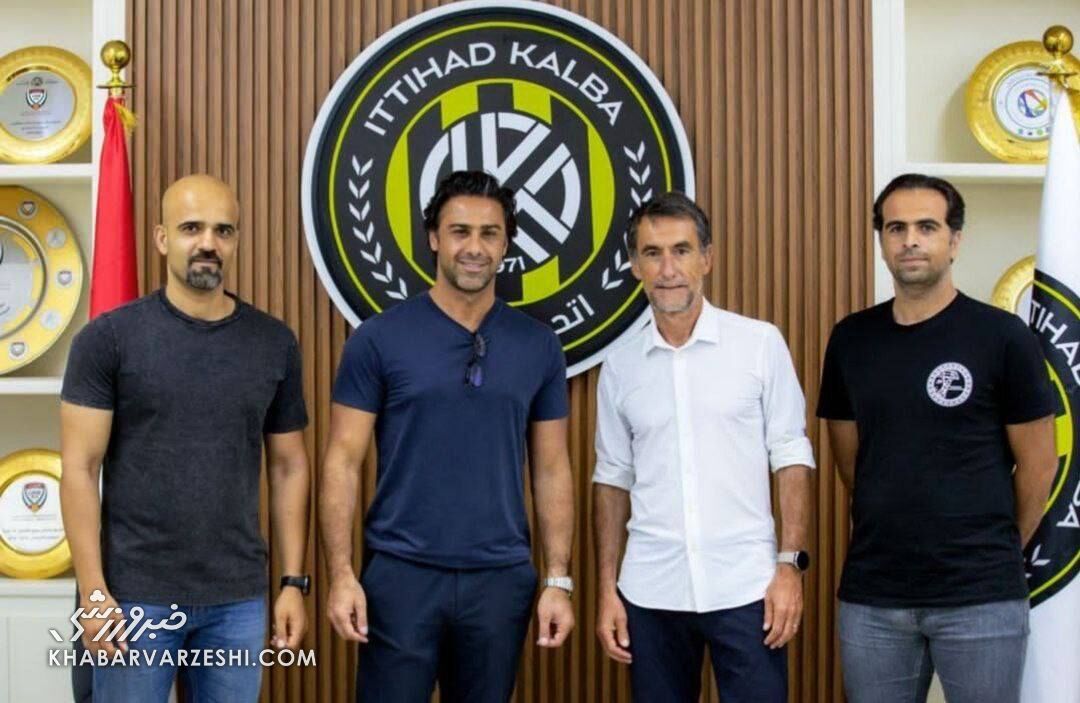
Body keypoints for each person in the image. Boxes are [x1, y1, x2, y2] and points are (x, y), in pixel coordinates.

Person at [320, 170, 576, 702]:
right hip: (400, 576)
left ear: (506, 244)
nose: (474, 248)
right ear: (434, 238)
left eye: (489, 233)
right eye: (460, 231)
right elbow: (342, 460)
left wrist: (558, 579)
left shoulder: (538, 345)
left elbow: (552, 467)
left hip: (499, 580)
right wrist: (341, 575)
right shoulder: (378, 339)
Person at [60, 174, 311, 702]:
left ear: (236, 241)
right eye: (191, 228)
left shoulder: (273, 343)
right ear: (161, 238)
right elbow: (79, 468)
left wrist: (293, 582)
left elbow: (289, 466)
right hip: (133, 598)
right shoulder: (108, 340)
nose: (208, 243)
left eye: (223, 230)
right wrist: (93, 592)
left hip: (236, 600)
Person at [817, 173, 1059, 703]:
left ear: (955, 240)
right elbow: (851, 464)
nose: (910, 240)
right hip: (875, 598)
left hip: (981, 597)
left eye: (927, 227)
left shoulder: (1003, 336)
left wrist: (994, 547)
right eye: (896, 228)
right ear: (881, 240)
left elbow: (1040, 465)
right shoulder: (851, 340)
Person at [593, 192, 814, 702]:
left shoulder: (759, 344)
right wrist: (607, 590)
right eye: (652, 253)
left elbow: (790, 455)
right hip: (651, 590)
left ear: (707, 259)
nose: (668, 269)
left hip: (748, 587)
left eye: (682, 250)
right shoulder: (621, 365)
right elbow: (612, 477)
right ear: (635, 266)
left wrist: (789, 566)